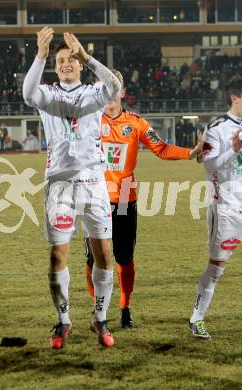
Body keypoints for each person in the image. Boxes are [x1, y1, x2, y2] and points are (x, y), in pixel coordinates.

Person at [23, 27, 121, 349]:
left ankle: (100, 317)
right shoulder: (48, 94)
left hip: (94, 182)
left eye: (71, 59)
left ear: (78, 64)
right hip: (59, 184)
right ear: (55, 67)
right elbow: (28, 94)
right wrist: (40, 55)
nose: (66, 63)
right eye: (60, 60)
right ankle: (63, 321)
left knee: (104, 254)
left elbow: (115, 85)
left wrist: (88, 56)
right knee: (57, 255)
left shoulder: (94, 93)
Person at [84, 70, 201, 328]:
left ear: (123, 93)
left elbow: (161, 147)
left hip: (125, 197)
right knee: (93, 260)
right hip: (95, 197)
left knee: (123, 258)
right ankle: (98, 309)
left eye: (115, 88)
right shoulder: (88, 121)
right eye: (105, 88)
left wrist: (189, 153)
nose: (110, 95)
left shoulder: (136, 123)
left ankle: (125, 306)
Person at [188, 77, 242, 339]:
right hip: (227, 208)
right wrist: (233, 149)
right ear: (235, 97)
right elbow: (208, 165)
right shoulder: (216, 128)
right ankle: (196, 319)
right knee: (217, 266)